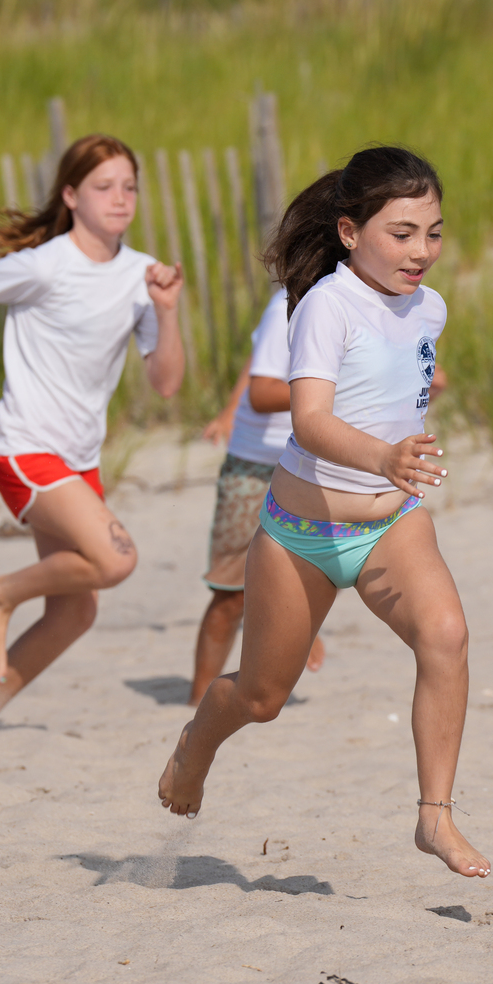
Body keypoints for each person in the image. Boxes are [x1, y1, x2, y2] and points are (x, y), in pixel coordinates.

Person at [157, 146, 489, 879]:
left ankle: (435, 818)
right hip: (302, 535)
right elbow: (308, 421)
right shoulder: (325, 306)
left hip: (389, 525)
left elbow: (405, 384)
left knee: (447, 636)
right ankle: (194, 747)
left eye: (433, 232)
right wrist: (383, 456)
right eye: (401, 233)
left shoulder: (430, 307)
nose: (422, 251)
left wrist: (398, 453)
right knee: (262, 697)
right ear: (349, 231)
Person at [0, 134, 185, 735]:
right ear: (71, 196)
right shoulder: (47, 263)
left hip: (77, 460)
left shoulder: (140, 275)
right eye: (104, 187)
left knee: (75, 611)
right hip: (23, 446)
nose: (120, 198)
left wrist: (168, 311)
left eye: (129, 186)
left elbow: (167, 382)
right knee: (116, 560)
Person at [192, 287, 323, 706]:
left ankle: (300, 634)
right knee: (231, 594)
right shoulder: (290, 301)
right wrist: (336, 395)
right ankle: (196, 701)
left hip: (309, 463)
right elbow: (263, 389)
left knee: (307, 580)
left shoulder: (357, 297)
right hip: (256, 465)